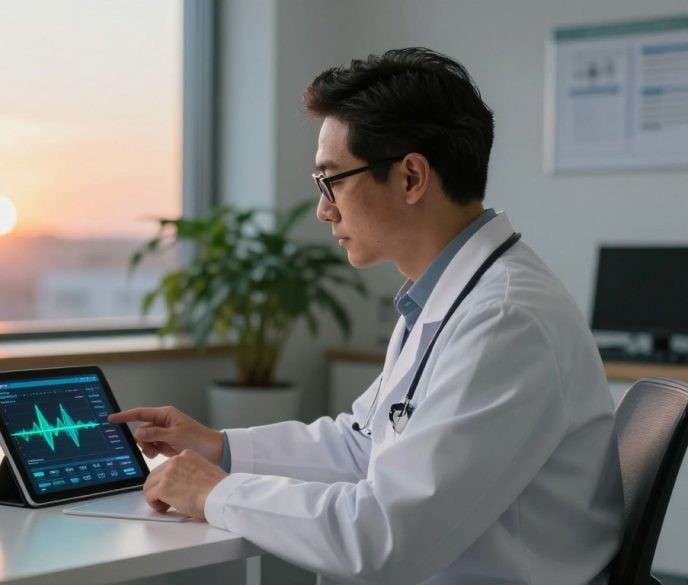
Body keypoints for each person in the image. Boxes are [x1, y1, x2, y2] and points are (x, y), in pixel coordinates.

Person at [109, 48, 624, 584]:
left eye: (332, 180)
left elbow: (381, 539)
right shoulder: (445, 298)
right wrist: (221, 447)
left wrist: (216, 492)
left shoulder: (504, 320)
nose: (323, 208)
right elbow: (364, 443)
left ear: (410, 178)